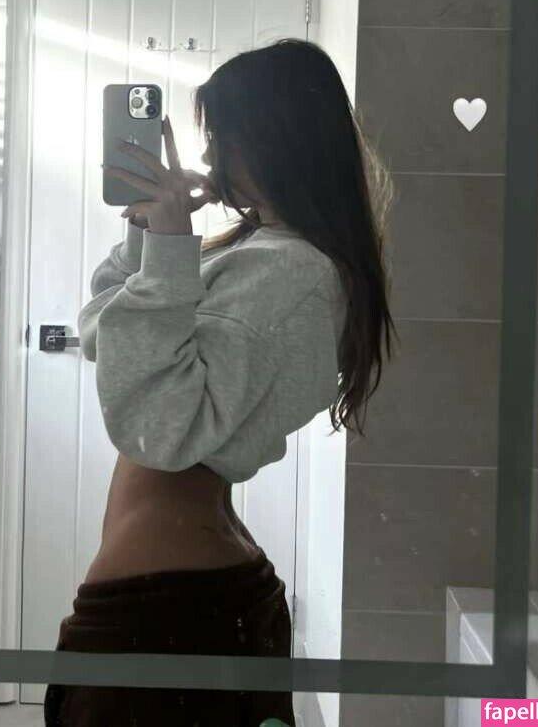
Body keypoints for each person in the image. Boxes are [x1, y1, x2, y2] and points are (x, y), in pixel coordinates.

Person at [44, 38, 396, 727]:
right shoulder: (262, 252)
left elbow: (162, 429)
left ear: (270, 140)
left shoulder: (293, 274)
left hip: (175, 609)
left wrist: (172, 246)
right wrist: (151, 237)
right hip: (179, 599)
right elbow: (106, 336)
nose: (207, 159)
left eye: (219, 139)